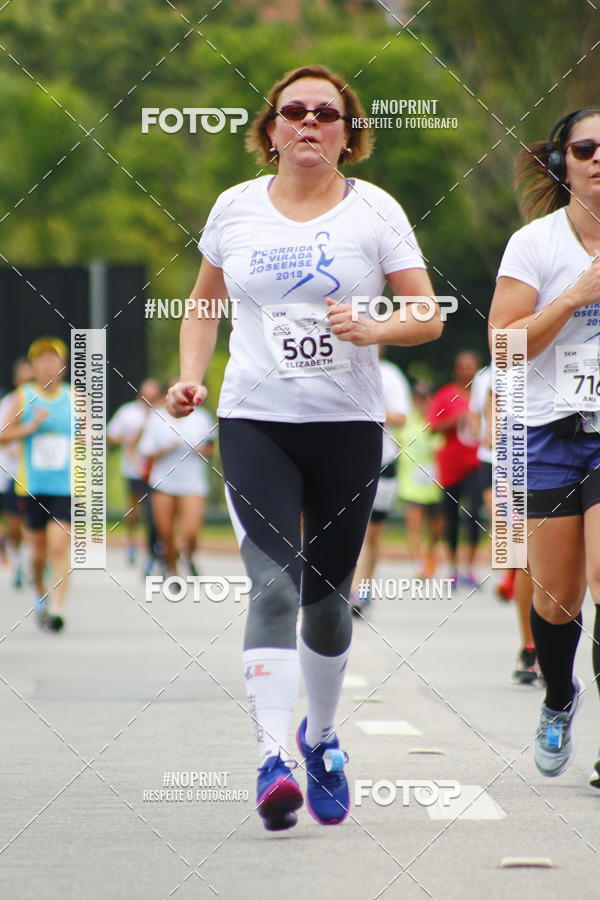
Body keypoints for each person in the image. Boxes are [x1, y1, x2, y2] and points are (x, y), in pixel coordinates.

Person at [166, 64, 442, 831]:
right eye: (295, 111)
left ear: (348, 132)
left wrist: (374, 326)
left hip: (347, 430)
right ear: (272, 129)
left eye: (328, 112)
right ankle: (270, 760)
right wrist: (190, 378)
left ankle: (320, 739)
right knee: (275, 590)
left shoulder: (376, 212)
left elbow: (427, 314)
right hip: (256, 421)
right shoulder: (235, 208)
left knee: (325, 606)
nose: (310, 122)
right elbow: (203, 304)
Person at [489, 107, 600, 781]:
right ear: (563, 162)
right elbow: (504, 346)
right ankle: (559, 696)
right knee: (557, 599)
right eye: (586, 148)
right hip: (551, 431)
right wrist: (575, 297)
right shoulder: (536, 245)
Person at [469, 365, 539, 682]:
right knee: (520, 546)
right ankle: (531, 646)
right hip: (505, 460)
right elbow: (488, 405)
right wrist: (494, 433)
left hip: (577, 454)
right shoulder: (503, 363)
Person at [0, 337, 71, 631]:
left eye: (52, 360)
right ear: (33, 366)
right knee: (38, 554)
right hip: (31, 486)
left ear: (63, 366)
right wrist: (31, 426)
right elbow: (3, 435)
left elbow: (92, 434)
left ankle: (56, 609)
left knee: (59, 546)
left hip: (66, 486)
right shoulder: (22, 396)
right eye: (41, 361)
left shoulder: (75, 398)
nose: (47, 366)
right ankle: (41, 592)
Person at [350, 349, 410, 617]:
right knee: (348, 530)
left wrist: (368, 410)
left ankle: (363, 591)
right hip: (347, 463)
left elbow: (401, 417)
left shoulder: (390, 375)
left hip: (382, 462)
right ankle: (346, 590)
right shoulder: (341, 368)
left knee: (371, 533)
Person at [138, 385, 214, 576]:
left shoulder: (201, 417)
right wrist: (166, 449)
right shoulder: (157, 418)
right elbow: (146, 452)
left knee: (190, 532)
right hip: (163, 483)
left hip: (192, 484)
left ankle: (187, 555)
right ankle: (172, 570)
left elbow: (212, 449)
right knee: (166, 533)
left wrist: (200, 449)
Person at [428, 351, 484, 588]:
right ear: (456, 370)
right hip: (450, 465)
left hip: (477, 462)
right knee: (450, 516)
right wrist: (455, 420)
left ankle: (469, 568)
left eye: (471, 367)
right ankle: (452, 567)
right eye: (462, 367)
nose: (466, 371)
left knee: (474, 514)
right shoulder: (446, 396)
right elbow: (431, 427)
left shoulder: (484, 395)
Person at [107, 378, 161, 569]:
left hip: (155, 472)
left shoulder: (160, 414)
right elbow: (111, 435)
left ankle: (154, 549)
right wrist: (127, 439)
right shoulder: (127, 412)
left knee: (153, 513)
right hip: (132, 469)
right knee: (133, 511)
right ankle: (131, 541)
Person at [397, 382, 444, 578]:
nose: (421, 401)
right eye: (418, 397)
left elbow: (441, 447)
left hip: (433, 485)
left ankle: (429, 555)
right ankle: (417, 563)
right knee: (414, 524)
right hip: (411, 484)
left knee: (437, 527)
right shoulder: (406, 422)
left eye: (425, 397)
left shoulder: (435, 421)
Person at [0, 357, 33, 588]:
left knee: (35, 522)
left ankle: (38, 561)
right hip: (12, 472)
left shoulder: (43, 402)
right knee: (14, 523)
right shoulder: (8, 403)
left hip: (38, 474)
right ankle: (18, 560)